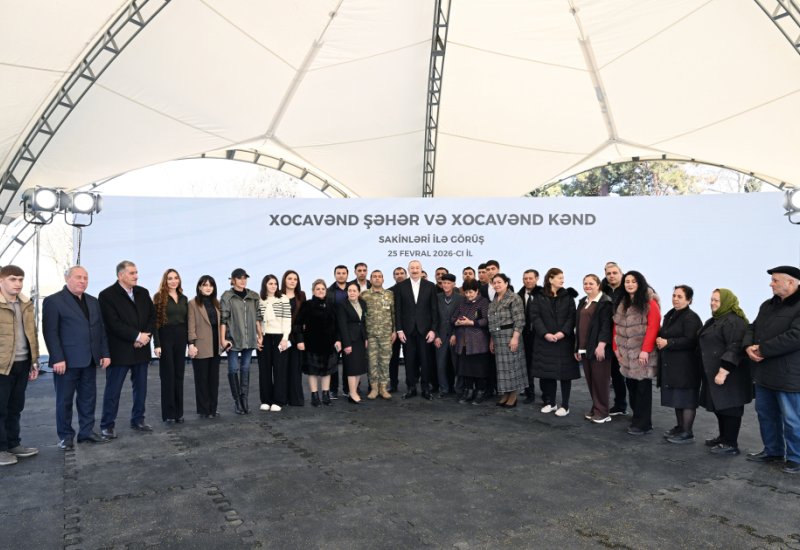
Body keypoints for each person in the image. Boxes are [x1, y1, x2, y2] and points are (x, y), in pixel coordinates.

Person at [43, 266, 111, 450]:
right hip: (66, 362)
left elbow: (100, 330)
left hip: (90, 360)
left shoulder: (93, 301)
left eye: (85, 278)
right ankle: (65, 436)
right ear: (67, 279)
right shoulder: (53, 301)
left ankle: (86, 432)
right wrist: (57, 358)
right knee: (64, 401)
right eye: (78, 277)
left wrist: (105, 353)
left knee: (88, 398)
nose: (83, 281)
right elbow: (50, 332)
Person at [744, 266, 800, 474]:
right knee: (765, 414)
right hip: (765, 372)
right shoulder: (767, 305)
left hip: (789, 375)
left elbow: (795, 337)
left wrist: (762, 349)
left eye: (775, 280)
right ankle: (773, 451)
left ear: (791, 282)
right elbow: (752, 327)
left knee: (792, 419)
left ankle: (796, 458)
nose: (771, 284)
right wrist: (748, 346)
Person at [99, 261, 156, 437]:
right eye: (132, 273)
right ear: (120, 275)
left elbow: (152, 317)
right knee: (113, 390)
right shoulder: (107, 295)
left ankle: (138, 420)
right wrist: (137, 336)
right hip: (120, 351)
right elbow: (113, 323)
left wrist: (144, 337)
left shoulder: (143, 292)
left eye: (136, 272)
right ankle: (107, 424)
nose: (136, 276)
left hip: (141, 349)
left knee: (141, 389)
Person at [698, 288, 752, 455]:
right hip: (715, 371)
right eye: (712, 299)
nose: (712, 303)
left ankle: (730, 444)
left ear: (727, 302)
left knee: (731, 408)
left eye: (717, 300)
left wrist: (724, 371)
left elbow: (735, 347)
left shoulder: (734, 321)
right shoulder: (717, 319)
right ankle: (723, 438)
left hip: (730, 373)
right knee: (720, 406)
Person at [0, 265, 40, 466]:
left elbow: (32, 333)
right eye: (13, 279)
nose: (18, 283)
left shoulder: (26, 304)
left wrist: (34, 361)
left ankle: (13, 444)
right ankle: (1, 450)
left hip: (22, 364)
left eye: (20, 279)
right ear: (1, 281)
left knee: (15, 407)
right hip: (2, 367)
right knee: (0, 410)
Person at [613, 271, 661, 436]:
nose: (630, 284)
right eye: (627, 281)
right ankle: (637, 417)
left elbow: (653, 327)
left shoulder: (649, 302)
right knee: (632, 387)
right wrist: (616, 348)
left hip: (642, 355)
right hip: (626, 356)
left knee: (642, 390)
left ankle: (644, 424)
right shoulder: (623, 303)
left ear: (640, 283)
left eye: (633, 281)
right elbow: (616, 327)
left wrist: (645, 350)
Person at [656, 285, 703, 443]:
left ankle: (687, 432)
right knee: (678, 398)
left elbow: (691, 341)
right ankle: (680, 427)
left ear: (689, 300)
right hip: (675, 366)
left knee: (687, 399)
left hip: (687, 367)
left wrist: (668, 342)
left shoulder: (691, 318)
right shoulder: (671, 315)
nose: (675, 299)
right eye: (674, 295)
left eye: (680, 297)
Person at [531, 268, 579, 416]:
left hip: (564, 341)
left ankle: (565, 405)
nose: (562, 280)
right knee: (548, 373)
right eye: (559, 277)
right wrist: (545, 333)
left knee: (565, 374)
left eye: (563, 277)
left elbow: (572, 317)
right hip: (545, 341)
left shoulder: (568, 296)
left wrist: (562, 333)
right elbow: (535, 316)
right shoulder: (539, 296)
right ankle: (551, 403)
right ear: (550, 279)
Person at [394, 260, 439, 400]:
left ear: (421, 269)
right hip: (407, 331)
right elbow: (398, 310)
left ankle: (426, 389)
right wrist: (399, 330)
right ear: (408, 270)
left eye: (417, 268)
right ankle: (411, 388)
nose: (414, 270)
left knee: (425, 361)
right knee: (409, 361)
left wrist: (433, 330)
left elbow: (434, 310)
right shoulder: (400, 286)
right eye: (412, 268)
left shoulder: (430, 286)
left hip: (425, 331)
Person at [574, 274, 614, 423]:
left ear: (598, 285)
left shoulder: (605, 302)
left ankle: (603, 413)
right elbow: (578, 326)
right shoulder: (582, 302)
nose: (588, 286)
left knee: (600, 382)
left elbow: (606, 326)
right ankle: (596, 407)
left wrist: (602, 345)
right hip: (585, 348)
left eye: (591, 283)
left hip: (598, 348)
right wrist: (577, 348)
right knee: (591, 381)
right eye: (585, 283)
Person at [220, 268, 260, 415]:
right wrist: (223, 339)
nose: (243, 281)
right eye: (239, 278)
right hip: (233, 339)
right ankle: (237, 401)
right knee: (233, 369)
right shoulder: (227, 296)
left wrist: (260, 335)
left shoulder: (253, 296)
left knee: (246, 368)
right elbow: (223, 320)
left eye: (245, 278)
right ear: (233, 280)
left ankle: (244, 400)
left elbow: (258, 317)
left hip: (249, 339)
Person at [294, 280, 341, 406]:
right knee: (312, 372)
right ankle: (314, 396)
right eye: (318, 289)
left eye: (323, 289)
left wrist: (338, 340)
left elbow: (337, 325)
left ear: (326, 291)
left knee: (328, 371)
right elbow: (298, 324)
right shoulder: (307, 305)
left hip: (329, 345)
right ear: (313, 291)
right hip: (311, 344)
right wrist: (300, 340)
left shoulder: (331, 305)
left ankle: (326, 395)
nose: (320, 291)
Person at [153, 269, 189, 424]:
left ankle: (179, 413)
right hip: (165, 337)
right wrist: (157, 344)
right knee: (168, 376)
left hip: (181, 337)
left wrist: (190, 343)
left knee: (179, 375)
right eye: (170, 278)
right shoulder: (159, 297)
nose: (173, 281)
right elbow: (155, 323)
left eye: (176, 278)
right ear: (165, 281)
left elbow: (187, 321)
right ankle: (169, 413)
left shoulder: (183, 298)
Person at [488, 273, 527, 408]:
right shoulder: (494, 300)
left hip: (510, 336)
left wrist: (515, 337)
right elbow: (492, 322)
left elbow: (520, 320)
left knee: (512, 367)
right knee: (502, 369)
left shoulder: (514, 298)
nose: (496, 285)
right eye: (494, 283)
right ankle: (506, 393)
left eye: (499, 282)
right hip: (497, 338)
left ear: (506, 283)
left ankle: (513, 395)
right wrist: (491, 340)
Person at [450, 279, 491, 404]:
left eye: (471, 292)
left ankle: (480, 392)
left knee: (479, 370)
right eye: (466, 292)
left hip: (478, 342)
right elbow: (453, 318)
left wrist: (471, 322)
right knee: (465, 370)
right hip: (463, 342)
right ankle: (468, 391)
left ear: (477, 291)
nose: (468, 295)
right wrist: (457, 322)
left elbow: (486, 320)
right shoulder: (462, 302)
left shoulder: (484, 302)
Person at [187, 275, 222, 419]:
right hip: (200, 346)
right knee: (202, 379)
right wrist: (191, 344)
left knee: (214, 380)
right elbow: (191, 326)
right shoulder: (193, 303)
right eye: (205, 285)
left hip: (215, 346)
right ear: (199, 287)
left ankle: (213, 409)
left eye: (211, 285)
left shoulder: (217, 303)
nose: (208, 288)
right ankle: (204, 409)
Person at [256, 274, 291, 412]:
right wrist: (258, 337)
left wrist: (285, 338)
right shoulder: (259, 300)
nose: (273, 286)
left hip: (279, 337)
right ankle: (266, 400)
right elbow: (257, 321)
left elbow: (287, 320)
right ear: (265, 285)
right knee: (264, 370)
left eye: (275, 283)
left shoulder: (283, 298)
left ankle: (278, 400)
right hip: (264, 337)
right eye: (270, 283)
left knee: (279, 369)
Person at [361, 270, 395, 400]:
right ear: (370, 279)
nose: (377, 278)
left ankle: (383, 388)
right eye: (374, 277)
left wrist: (394, 331)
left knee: (385, 362)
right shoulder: (364, 295)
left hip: (386, 335)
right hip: (371, 335)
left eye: (379, 276)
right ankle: (374, 388)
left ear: (383, 279)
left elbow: (393, 314)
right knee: (372, 362)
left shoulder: (389, 294)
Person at [601, 261, 628, 416]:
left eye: (614, 273)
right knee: (615, 373)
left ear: (621, 273)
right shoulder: (602, 289)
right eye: (608, 273)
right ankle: (620, 405)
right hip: (608, 336)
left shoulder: (629, 287)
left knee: (631, 376)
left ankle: (639, 412)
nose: (611, 276)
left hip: (626, 337)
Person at [337, 282, 369, 405]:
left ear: (359, 292)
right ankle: (352, 392)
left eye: (354, 290)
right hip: (349, 340)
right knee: (351, 368)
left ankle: (353, 392)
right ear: (347, 292)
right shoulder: (342, 305)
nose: (352, 293)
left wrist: (365, 338)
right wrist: (346, 344)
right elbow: (342, 326)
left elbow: (363, 322)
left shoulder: (363, 303)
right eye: (349, 290)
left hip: (360, 339)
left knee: (359, 367)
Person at [434, 274, 463, 398]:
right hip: (440, 336)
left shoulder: (460, 298)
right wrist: (436, 335)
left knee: (457, 364)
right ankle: (444, 389)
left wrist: (455, 334)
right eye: (443, 283)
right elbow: (433, 318)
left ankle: (459, 389)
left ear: (454, 284)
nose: (445, 285)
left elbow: (462, 317)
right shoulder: (436, 298)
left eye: (448, 283)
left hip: (455, 336)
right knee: (440, 364)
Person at [281, 270, 306, 406]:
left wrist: (301, 338)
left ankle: (295, 398)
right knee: (282, 368)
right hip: (281, 337)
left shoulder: (301, 295)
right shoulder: (278, 294)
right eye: (289, 278)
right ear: (284, 280)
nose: (292, 281)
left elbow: (303, 318)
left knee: (295, 368)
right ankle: (282, 398)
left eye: (295, 279)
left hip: (296, 336)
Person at [518, 269, 541, 404]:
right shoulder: (519, 295)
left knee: (542, 365)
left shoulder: (543, 293)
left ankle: (547, 395)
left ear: (537, 279)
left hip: (540, 335)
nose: (527, 281)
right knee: (526, 365)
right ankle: (529, 393)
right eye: (525, 278)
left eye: (530, 278)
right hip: (524, 336)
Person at [327, 265, 349, 398]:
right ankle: (333, 389)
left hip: (349, 332)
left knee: (349, 362)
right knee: (333, 362)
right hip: (334, 332)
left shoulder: (353, 289)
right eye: (338, 273)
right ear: (334, 275)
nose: (341, 275)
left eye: (343, 273)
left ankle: (348, 388)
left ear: (347, 274)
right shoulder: (329, 291)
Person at [388, 266, 407, 393]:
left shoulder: (412, 289)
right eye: (397, 273)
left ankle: (411, 383)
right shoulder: (389, 292)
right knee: (393, 358)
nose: (399, 275)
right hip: (393, 330)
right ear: (394, 276)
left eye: (401, 273)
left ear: (406, 275)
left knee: (410, 358)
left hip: (409, 330)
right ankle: (393, 384)